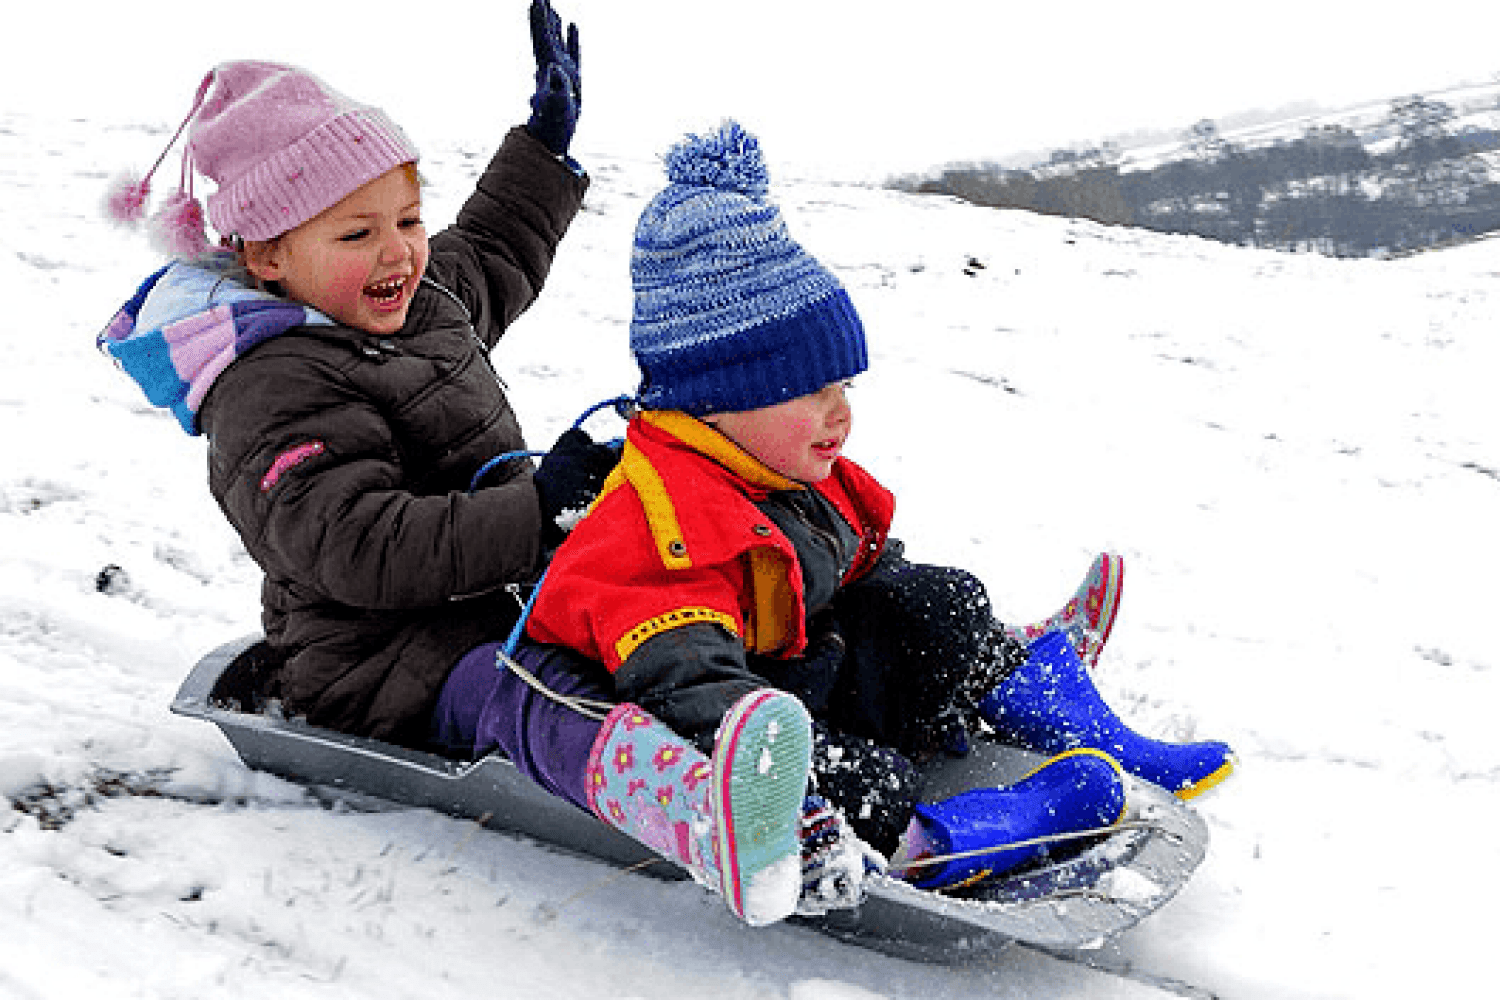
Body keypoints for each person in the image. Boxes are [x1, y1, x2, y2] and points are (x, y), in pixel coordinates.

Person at [97, 5, 842, 929]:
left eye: (407, 217)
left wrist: (542, 145)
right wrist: (537, 511)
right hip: (381, 659)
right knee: (535, 696)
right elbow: (356, 544)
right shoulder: (266, 386)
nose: (399, 250)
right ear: (269, 255)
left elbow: (491, 247)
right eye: (356, 232)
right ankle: (699, 816)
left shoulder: (418, 299)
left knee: (648, 605)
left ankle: (755, 745)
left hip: (504, 596)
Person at [517, 120, 1236, 900]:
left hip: (801, 665)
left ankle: (1068, 720)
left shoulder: (785, 470)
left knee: (936, 597)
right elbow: (695, 699)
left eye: (845, 390)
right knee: (800, 753)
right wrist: (802, 756)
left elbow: (871, 573)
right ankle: (930, 844)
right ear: (715, 396)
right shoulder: (654, 530)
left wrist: (943, 651)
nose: (840, 415)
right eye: (812, 392)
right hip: (732, 708)